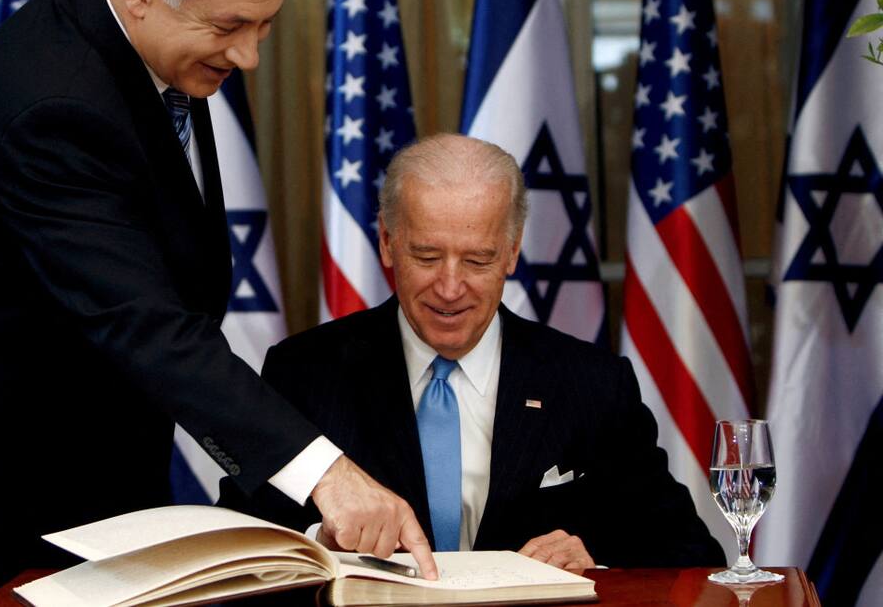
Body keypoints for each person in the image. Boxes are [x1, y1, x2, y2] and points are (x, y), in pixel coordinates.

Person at [0, 0, 435, 602]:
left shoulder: (139, 34)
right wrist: (326, 474)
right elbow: (147, 325)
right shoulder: (53, 106)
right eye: (230, 26)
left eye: (265, 25)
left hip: (97, 483)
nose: (250, 56)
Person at [219, 134, 726, 571]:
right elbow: (241, 546)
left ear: (511, 252)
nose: (450, 287)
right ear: (388, 243)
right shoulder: (304, 372)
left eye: (478, 259)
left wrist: (591, 553)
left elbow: (692, 553)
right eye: (427, 256)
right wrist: (322, 544)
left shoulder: (591, 383)